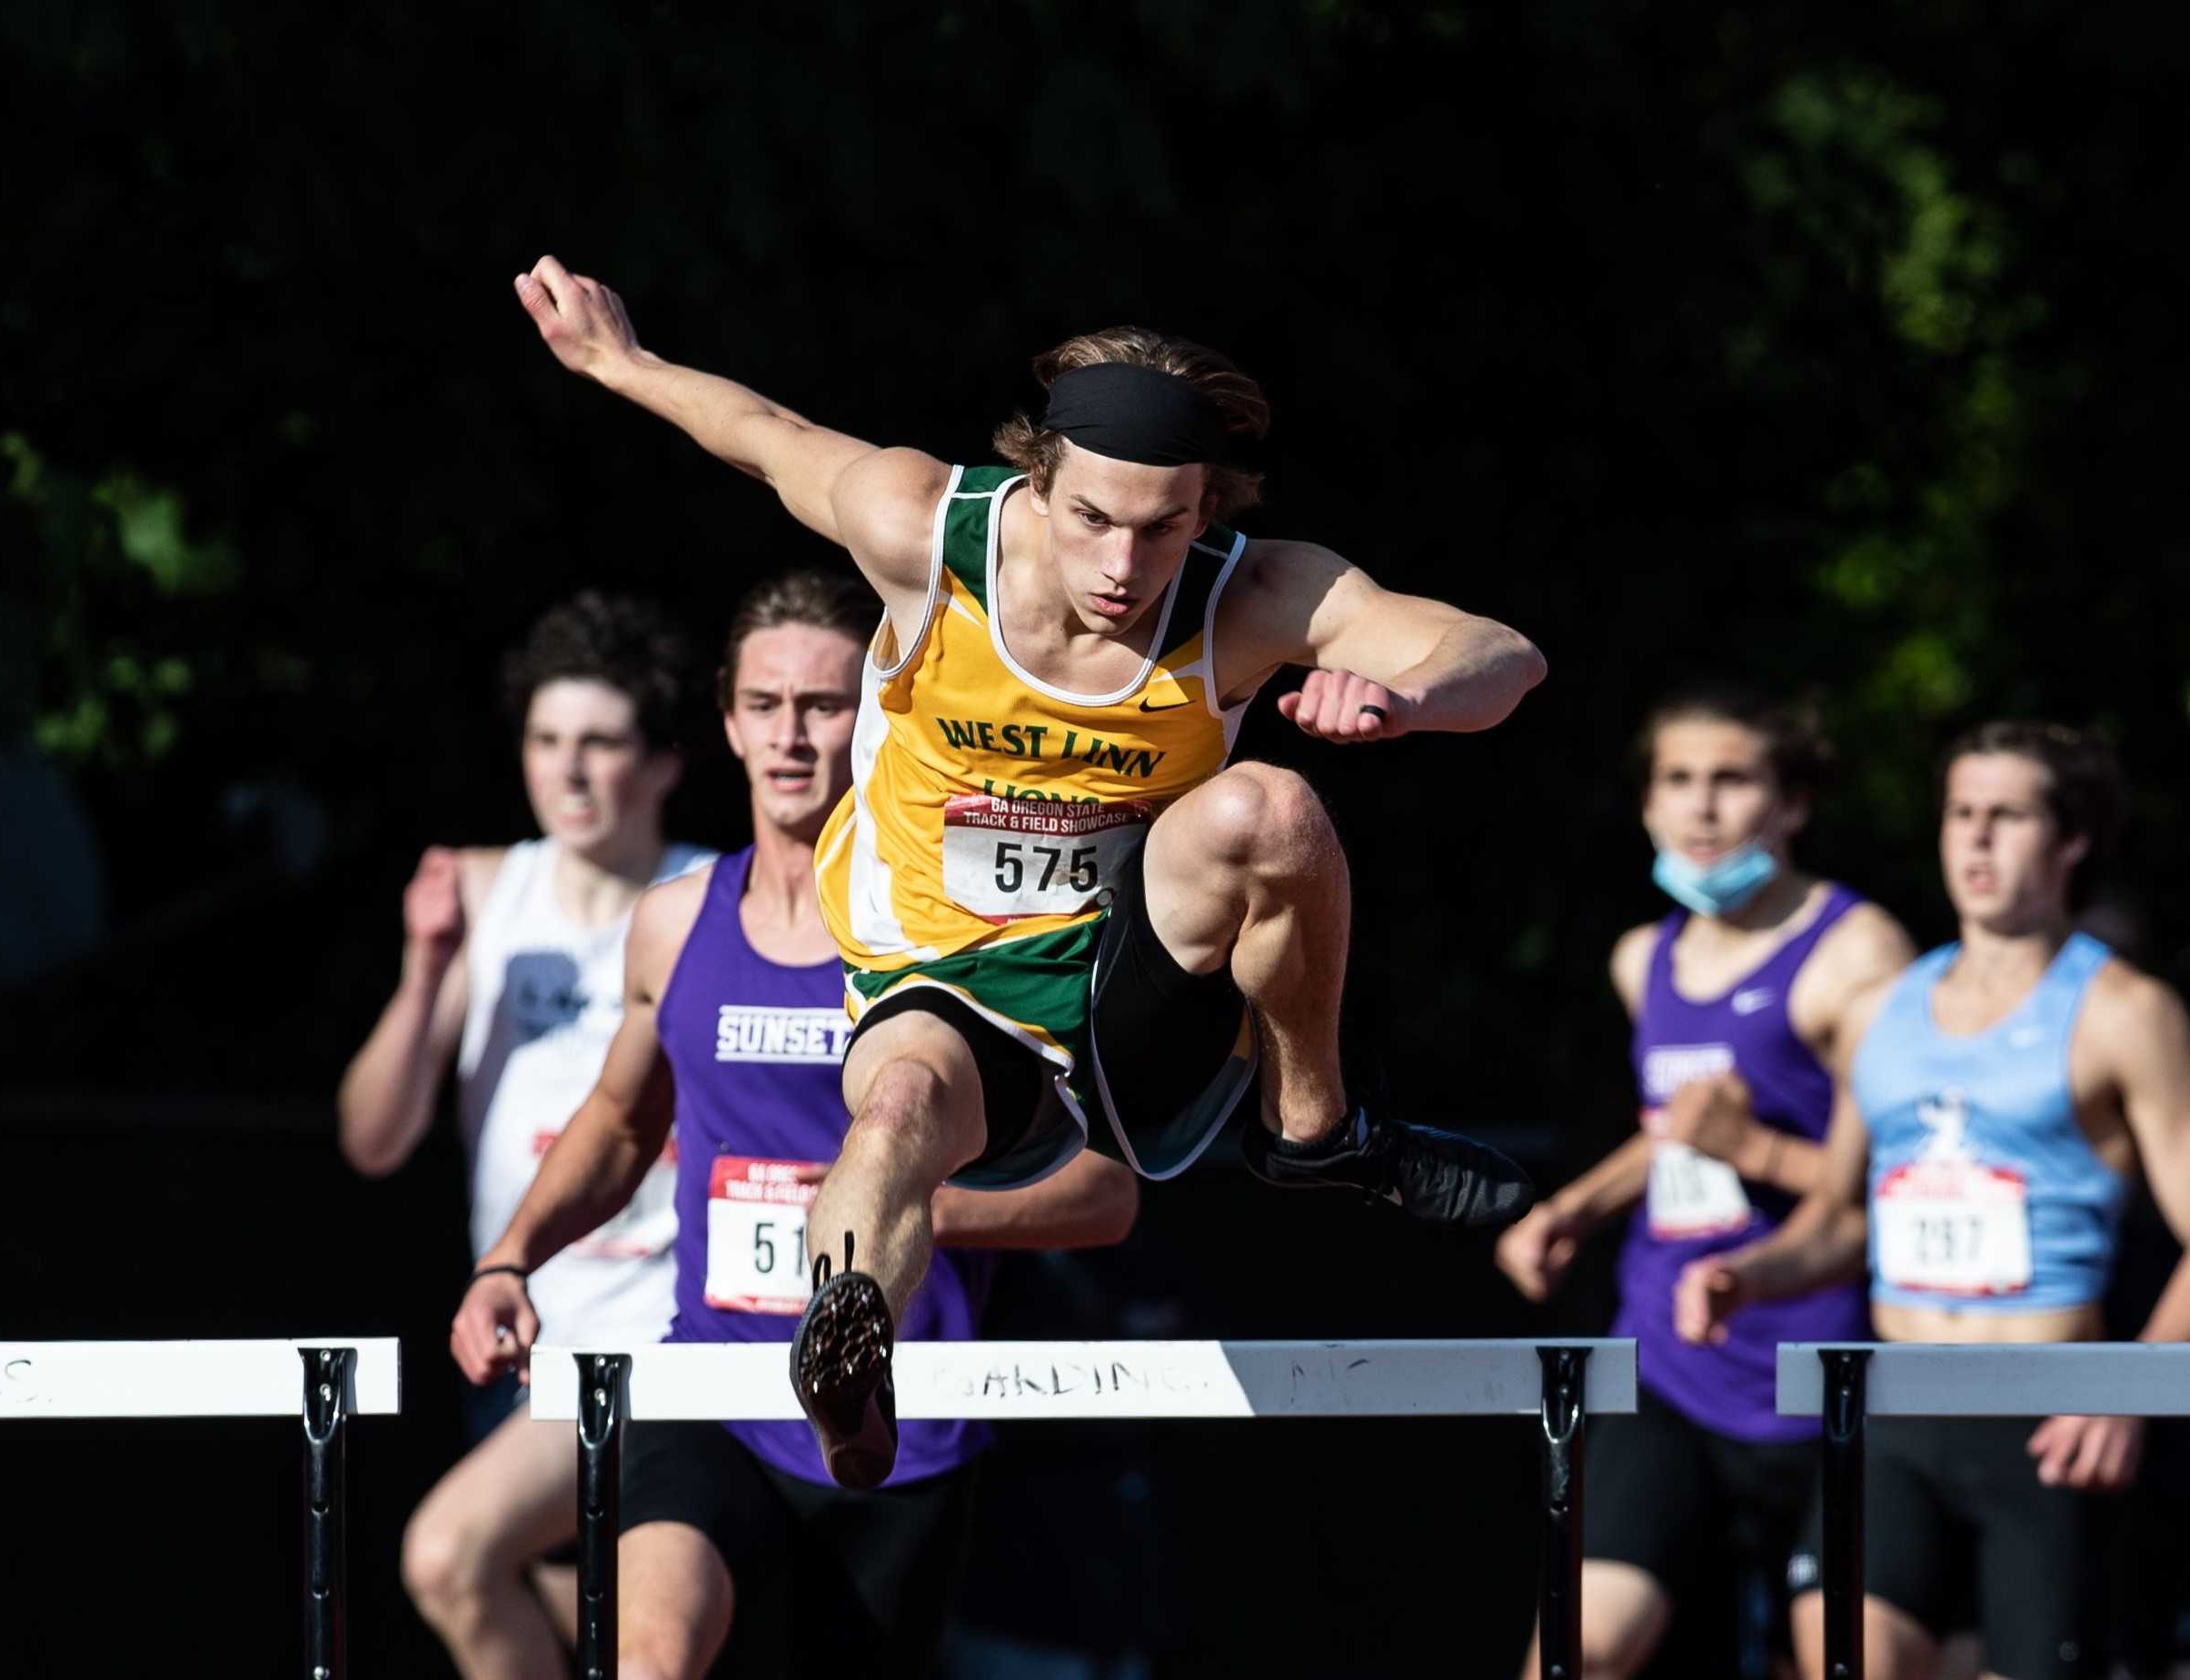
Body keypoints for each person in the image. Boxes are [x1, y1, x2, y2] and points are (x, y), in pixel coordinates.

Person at [512, 255, 1548, 1486]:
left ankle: (1311, 1125)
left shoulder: (1249, 594)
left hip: (1129, 980)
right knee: (894, 1116)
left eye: (1164, 527)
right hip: (939, 978)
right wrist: (623, 364)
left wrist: (1406, 695)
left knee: (1270, 807)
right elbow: (769, 438)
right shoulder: (925, 532)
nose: (1124, 566)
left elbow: (1504, 655)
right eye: (1094, 520)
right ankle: (850, 1346)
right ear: (1037, 479)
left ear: (1207, 508)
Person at [451, 570, 1140, 1678]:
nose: (791, 737)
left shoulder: (960, 947)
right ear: (726, 721)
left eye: (822, 706)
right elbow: (622, 1125)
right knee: (650, 1659)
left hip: (893, 1434)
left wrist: (879, 1222)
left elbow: (1107, 1195)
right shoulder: (675, 924)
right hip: (708, 1399)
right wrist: (510, 1257)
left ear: (875, 721)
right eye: (765, 706)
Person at [1678, 722, 2190, 1680]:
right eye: (1961, 813)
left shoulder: (2126, 1010)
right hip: (1898, 1403)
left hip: (2046, 1423)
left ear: (2069, 838)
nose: (1977, 840)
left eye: (2007, 815)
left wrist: (2131, 1387)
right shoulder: (1881, 1010)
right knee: (1842, 1659)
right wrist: (1744, 1273)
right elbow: (1838, 1217)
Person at [1494, 688, 1914, 1679]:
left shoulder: (1859, 952)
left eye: (1733, 781)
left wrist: (1757, 1150)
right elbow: (1675, 1131)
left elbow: (1897, 1189)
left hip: (1824, 1366)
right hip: (1667, 1361)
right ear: (1647, 806)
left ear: (1793, 803)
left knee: (1846, 1664)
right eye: (1678, 781)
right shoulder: (1646, 959)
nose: (1703, 808)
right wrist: (1571, 1210)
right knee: (1577, 1652)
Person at [337, 591, 716, 1678]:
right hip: (511, 1339)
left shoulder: (707, 898)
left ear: (661, 763)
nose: (571, 771)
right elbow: (372, 1139)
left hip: (663, 1333)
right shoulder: (483, 890)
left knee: (452, 1554)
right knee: (571, 1621)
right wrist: (423, 973)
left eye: (601, 743)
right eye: (548, 742)